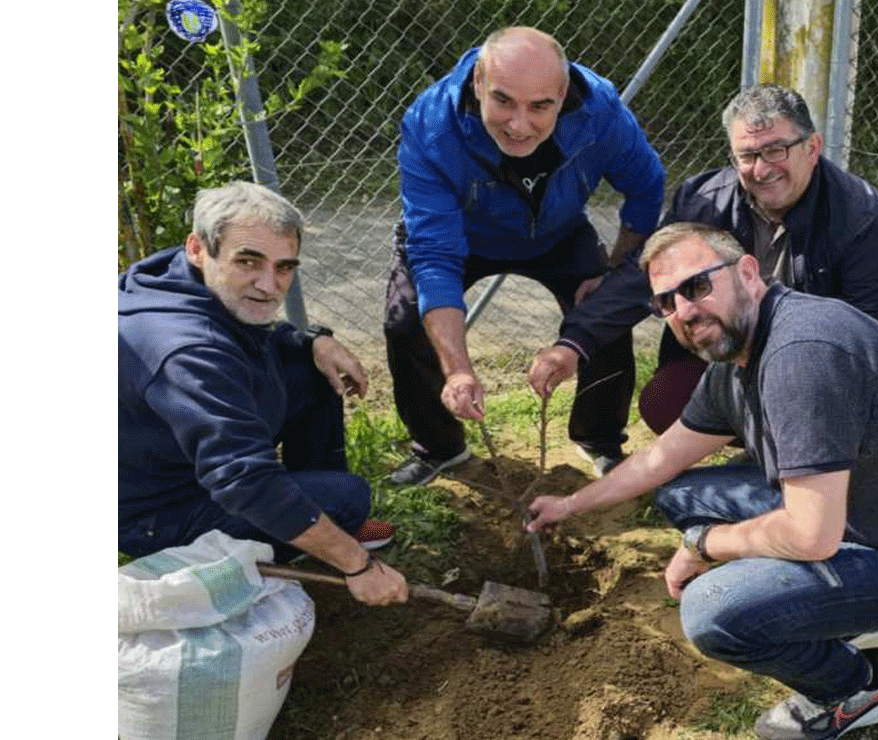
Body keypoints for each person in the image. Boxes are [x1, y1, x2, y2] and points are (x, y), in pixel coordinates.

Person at [527, 223, 878, 740]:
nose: (684, 311)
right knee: (681, 494)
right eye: (666, 302)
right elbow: (663, 457)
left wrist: (703, 544)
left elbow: (810, 536)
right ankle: (837, 611)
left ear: (748, 273)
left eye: (697, 286)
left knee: (712, 611)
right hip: (865, 512)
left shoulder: (801, 354)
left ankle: (857, 689)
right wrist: (570, 504)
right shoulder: (740, 354)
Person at [528, 84, 878, 437]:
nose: (762, 169)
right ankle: (756, 442)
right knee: (665, 402)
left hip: (817, 355)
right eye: (747, 155)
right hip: (729, 353)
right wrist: (573, 343)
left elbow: (866, 325)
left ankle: (797, 449)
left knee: (859, 406)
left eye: (776, 150)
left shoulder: (861, 215)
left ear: (812, 147)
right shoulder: (704, 202)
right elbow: (642, 281)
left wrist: (799, 380)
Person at [384, 26, 665, 485]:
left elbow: (646, 185)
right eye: (503, 101)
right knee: (406, 320)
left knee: (606, 309)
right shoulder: (430, 124)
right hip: (463, 235)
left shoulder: (601, 111)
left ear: (563, 94)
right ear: (478, 82)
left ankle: (599, 438)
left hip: (557, 230)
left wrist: (616, 271)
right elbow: (435, 255)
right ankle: (439, 448)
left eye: (539, 107)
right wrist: (458, 371)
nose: (519, 125)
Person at [119, 181, 409, 607]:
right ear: (198, 248)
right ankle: (324, 528)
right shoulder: (187, 351)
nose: (270, 285)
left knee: (310, 371)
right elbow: (244, 480)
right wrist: (357, 564)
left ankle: (319, 521)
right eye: (248, 262)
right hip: (156, 514)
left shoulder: (172, 279)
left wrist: (312, 341)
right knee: (350, 498)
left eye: (284, 267)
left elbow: (253, 332)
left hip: (170, 459)